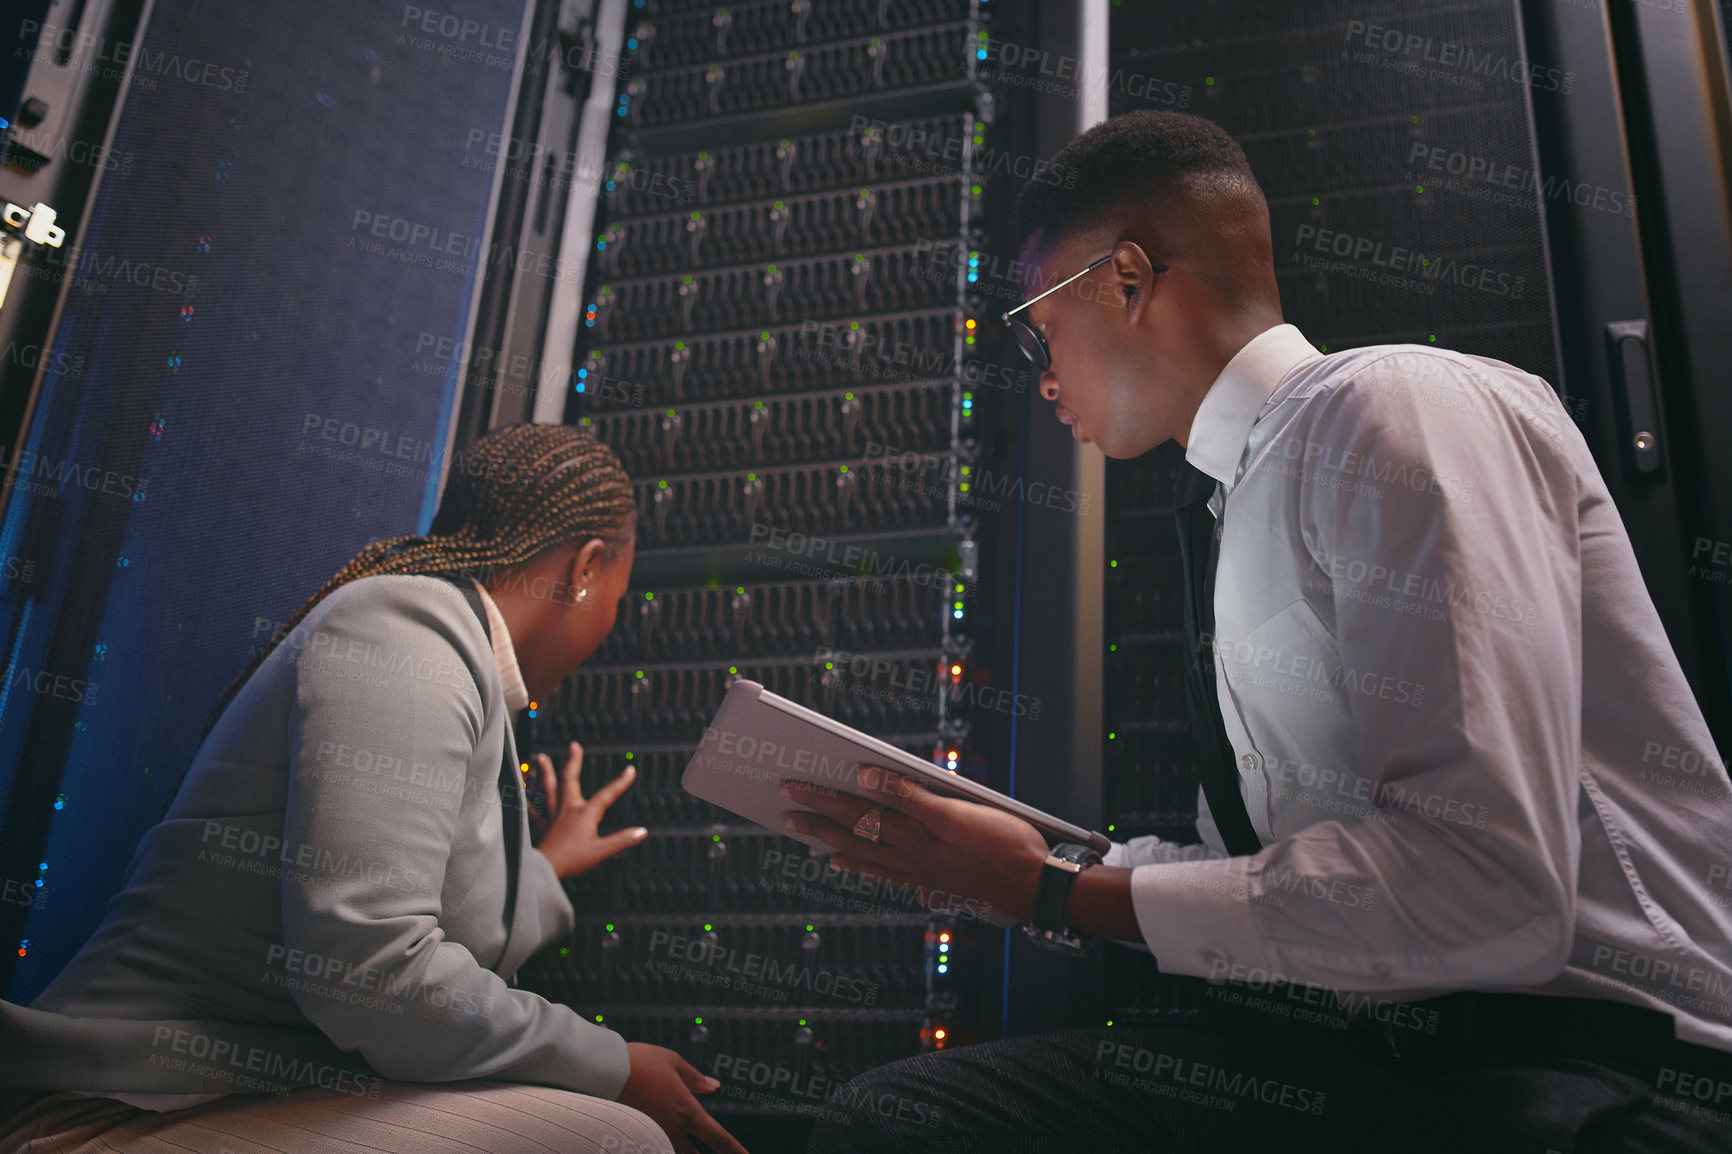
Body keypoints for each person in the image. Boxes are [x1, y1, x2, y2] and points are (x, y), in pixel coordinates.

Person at [789, 110, 1732, 1153]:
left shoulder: (1392, 403)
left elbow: (1486, 884)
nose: (1042, 376)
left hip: (1594, 1070)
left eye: (1035, 326)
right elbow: (1276, 875)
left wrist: (1054, 887)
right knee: (902, 1120)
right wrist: (1020, 864)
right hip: (1382, 1066)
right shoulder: (1237, 503)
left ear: (1127, 279)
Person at [0, 423, 747, 1154]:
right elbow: (371, 968)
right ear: (585, 569)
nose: (614, 623)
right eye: (620, 591)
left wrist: (546, 865)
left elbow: (436, 919)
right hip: (111, 1116)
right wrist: (610, 1064)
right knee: (614, 1139)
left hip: (233, 1102)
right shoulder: (406, 635)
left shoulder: (455, 668)